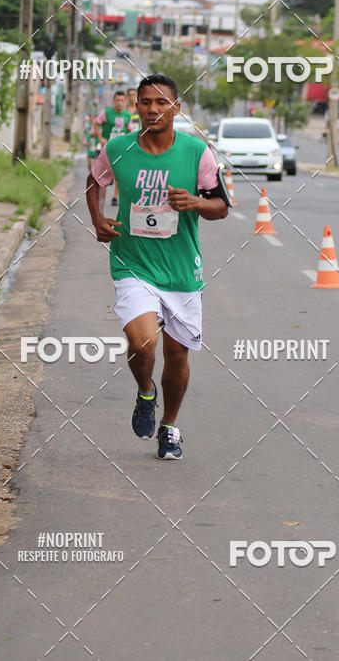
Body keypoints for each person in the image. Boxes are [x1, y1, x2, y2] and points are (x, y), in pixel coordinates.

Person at [86, 74, 229, 460]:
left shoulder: (197, 153)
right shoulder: (117, 148)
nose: (153, 109)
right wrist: (98, 219)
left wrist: (196, 203)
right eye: (146, 101)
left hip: (182, 271)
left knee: (178, 355)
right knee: (142, 341)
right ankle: (145, 391)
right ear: (136, 106)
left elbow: (222, 208)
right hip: (133, 264)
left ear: (176, 108)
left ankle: (169, 426)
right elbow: (94, 181)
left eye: (161, 102)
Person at [94, 91, 132, 207]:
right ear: (113, 101)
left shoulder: (127, 115)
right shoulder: (106, 113)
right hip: (107, 148)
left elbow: (129, 130)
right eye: (117, 100)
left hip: (121, 149)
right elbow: (96, 123)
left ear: (125, 102)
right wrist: (100, 138)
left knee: (119, 173)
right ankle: (100, 197)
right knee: (101, 173)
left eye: (122, 100)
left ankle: (115, 196)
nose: (119, 103)